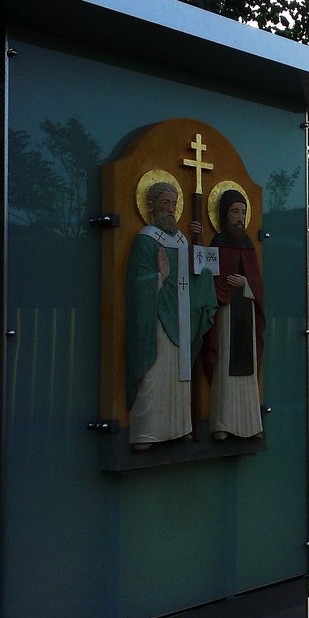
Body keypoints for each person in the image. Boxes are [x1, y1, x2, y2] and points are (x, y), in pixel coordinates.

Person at [125, 181, 217, 450]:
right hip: (155, 318)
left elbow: (192, 276)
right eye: (165, 203)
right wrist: (159, 277)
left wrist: (204, 264)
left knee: (179, 373)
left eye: (174, 204)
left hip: (182, 316)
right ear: (151, 206)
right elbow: (136, 283)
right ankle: (146, 433)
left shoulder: (181, 240)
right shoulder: (145, 240)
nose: (170, 209)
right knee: (154, 372)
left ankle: (179, 427)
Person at [202, 188, 265, 440]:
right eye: (234, 212)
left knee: (247, 370)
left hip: (246, 313)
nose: (239, 218)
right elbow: (208, 277)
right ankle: (223, 425)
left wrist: (246, 284)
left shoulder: (249, 246)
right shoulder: (218, 245)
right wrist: (228, 287)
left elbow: (258, 282)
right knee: (225, 366)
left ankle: (250, 425)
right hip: (226, 314)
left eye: (242, 212)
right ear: (223, 215)